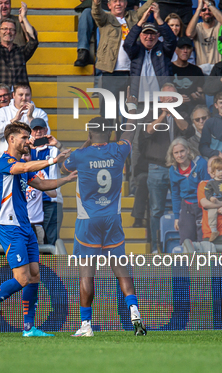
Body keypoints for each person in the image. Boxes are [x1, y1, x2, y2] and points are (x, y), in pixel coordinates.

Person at [0, 121, 77, 337]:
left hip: (25, 226)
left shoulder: (21, 165)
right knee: (22, 278)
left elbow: (41, 184)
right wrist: (53, 160)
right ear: (11, 139)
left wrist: (66, 179)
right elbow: (26, 168)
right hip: (9, 227)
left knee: (35, 275)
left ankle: (29, 328)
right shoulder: (4, 163)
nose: (28, 141)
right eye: (24, 137)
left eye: (28, 137)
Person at [61, 112, 147, 337]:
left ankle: (86, 325)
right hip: (112, 219)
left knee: (87, 274)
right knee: (121, 271)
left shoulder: (80, 155)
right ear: (110, 133)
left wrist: (87, 142)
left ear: (90, 133)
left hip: (88, 221)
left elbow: (63, 169)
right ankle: (135, 314)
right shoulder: (119, 150)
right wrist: (132, 110)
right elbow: (130, 131)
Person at [91, 0, 163, 103]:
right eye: (114, 1)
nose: (118, 4)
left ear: (125, 4)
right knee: (109, 113)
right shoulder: (105, 19)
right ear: (109, 5)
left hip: (132, 72)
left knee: (130, 110)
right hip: (111, 72)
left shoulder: (133, 17)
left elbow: (147, 7)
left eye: (121, 1)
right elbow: (96, 12)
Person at [142, 84, 190, 253]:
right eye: (167, 97)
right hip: (157, 167)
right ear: (160, 98)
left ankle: (184, 243)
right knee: (156, 209)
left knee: (184, 205)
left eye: (173, 97)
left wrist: (173, 112)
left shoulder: (182, 113)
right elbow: (148, 131)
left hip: (178, 168)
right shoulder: (151, 113)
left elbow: (186, 129)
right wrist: (163, 113)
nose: (170, 99)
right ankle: (156, 247)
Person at [123, 4, 177, 103]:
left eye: (152, 33)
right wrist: (141, 22)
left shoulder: (164, 49)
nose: (149, 37)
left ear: (157, 35)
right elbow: (127, 44)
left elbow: (171, 40)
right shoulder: (136, 49)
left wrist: (158, 19)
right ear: (140, 35)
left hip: (161, 101)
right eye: (146, 33)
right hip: (139, 100)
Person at [0, 3, 38, 90]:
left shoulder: (21, 51)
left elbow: (33, 41)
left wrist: (24, 18)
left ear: (15, 34)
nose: (8, 32)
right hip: (0, 97)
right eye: (4, 29)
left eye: (11, 30)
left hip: (20, 97)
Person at [29, 118, 65, 245]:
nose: (38, 132)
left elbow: (70, 166)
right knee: (33, 242)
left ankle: (51, 266)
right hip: (31, 203)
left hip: (51, 201)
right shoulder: (26, 150)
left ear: (46, 130)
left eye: (41, 129)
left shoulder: (54, 150)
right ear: (31, 132)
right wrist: (27, 145)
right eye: (35, 129)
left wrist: (58, 144)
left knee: (51, 240)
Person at [0, 83, 49, 160]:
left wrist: (30, 118)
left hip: (33, 160)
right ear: (13, 95)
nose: (24, 98)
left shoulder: (40, 113)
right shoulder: (3, 111)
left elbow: (46, 136)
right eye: (20, 95)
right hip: (7, 160)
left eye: (27, 95)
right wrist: (13, 120)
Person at [167, 137, 209, 244]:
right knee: (186, 242)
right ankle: (189, 261)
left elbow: (208, 187)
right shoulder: (173, 170)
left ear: (188, 150)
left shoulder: (201, 164)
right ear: (172, 155)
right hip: (186, 206)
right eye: (176, 153)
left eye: (182, 151)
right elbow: (175, 194)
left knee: (203, 241)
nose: (179, 155)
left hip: (202, 205)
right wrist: (177, 217)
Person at [185, 0, 222, 69]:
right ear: (200, 12)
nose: (207, 12)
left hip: (218, 69)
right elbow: (189, 34)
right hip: (201, 69)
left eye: (210, 9)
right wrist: (199, 8)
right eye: (203, 10)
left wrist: (207, 2)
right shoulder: (197, 27)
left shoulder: (219, 25)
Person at [171, 37, 205, 116]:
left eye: (188, 48)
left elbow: (203, 98)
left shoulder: (197, 70)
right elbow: (163, 94)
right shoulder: (169, 69)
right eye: (182, 48)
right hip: (174, 110)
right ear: (176, 50)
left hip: (193, 111)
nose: (185, 51)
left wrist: (199, 97)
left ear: (191, 51)